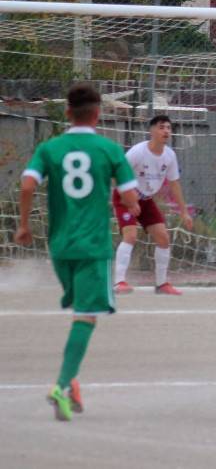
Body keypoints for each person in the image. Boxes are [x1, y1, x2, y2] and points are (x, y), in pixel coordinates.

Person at [16, 84, 140, 421]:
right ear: (98, 114)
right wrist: (133, 207)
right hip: (92, 247)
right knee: (86, 316)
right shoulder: (109, 150)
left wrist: (24, 225)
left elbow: (27, 185)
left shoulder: (50, 148)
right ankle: (60, 384)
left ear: (67, 113)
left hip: (59, 247)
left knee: (78, 310)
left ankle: (71, 385)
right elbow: (131, 198)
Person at [112, 115, 193, 295]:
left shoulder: (170, 155)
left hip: (146, 200)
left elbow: (174, 184)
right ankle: (119, 282)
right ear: (152, 131)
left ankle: (162, 284)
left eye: (169, 128)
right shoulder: (138, 152)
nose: (166, 131)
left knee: (163, 237)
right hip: (125, 196)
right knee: (131, 235)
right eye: (162, 127)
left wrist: (184, 212)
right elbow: (118, 173)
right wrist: (130, 198)